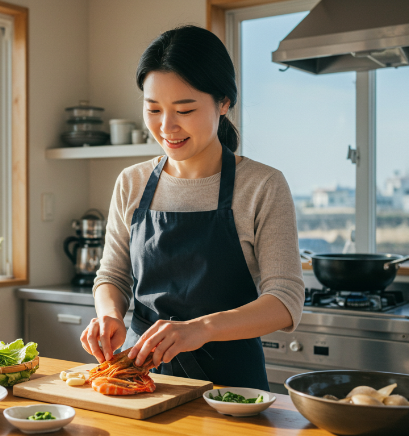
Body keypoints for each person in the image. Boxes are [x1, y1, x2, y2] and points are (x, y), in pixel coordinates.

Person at [79, 25, 304, 390]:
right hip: (139, 378)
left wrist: (198, 330)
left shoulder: (262, 185)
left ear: (224, 103)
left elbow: (285, 301)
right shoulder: (131, 182)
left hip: (232, 390)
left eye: (184, 109)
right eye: (153, 109)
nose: (167, 127)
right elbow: (112, 276)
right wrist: (109, 315)